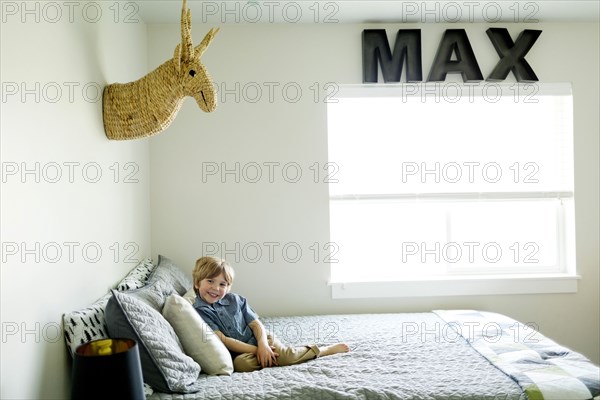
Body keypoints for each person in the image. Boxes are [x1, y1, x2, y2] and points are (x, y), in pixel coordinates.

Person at [192, 256, 350, 372]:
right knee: (241, 365)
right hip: (242, 352)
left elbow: (255, 323)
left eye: (222, 284)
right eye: (210, 281)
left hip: (261, 338)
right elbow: (223, 339)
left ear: (228, 287)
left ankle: (323, 350)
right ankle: (270, 356)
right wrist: (257, 351)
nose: (216, 288)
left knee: (286, 356)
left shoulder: (235, 300)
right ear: (197, 283)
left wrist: (263, 345)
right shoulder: (199, 311)